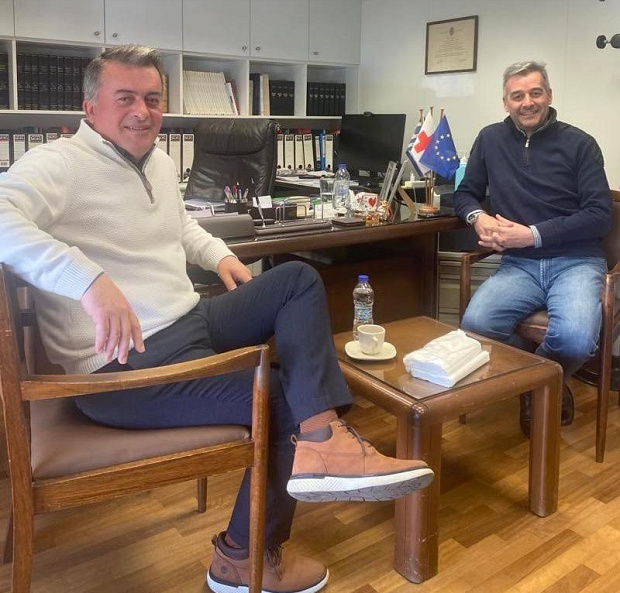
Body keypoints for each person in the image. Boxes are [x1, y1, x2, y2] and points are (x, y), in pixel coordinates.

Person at [0, 45, 434, 593]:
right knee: (283, 399)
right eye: (125, 98)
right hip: (122, 369)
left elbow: (180, 226)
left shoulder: (156, 161)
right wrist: (86, 280)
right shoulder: (59, 164)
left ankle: (325, 439)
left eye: (152, 98)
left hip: (188, 321)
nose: (142, 111)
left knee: (295, 279)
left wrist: (220, 256)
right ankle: (240, 558)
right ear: (90, 108)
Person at [454, 60, 611, 436]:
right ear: (505, 102)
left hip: (576, 260)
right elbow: (464, 194)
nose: (527, 102)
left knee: (574, 340)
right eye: (517, 95)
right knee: (476, 327)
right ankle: (542, 380)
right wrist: (478, 217)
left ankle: (538, 384)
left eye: (535, 93)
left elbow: (599, 216)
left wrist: (533, 234)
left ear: (549, 96)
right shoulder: (490, 139)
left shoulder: (581, 144)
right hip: (519, 264)